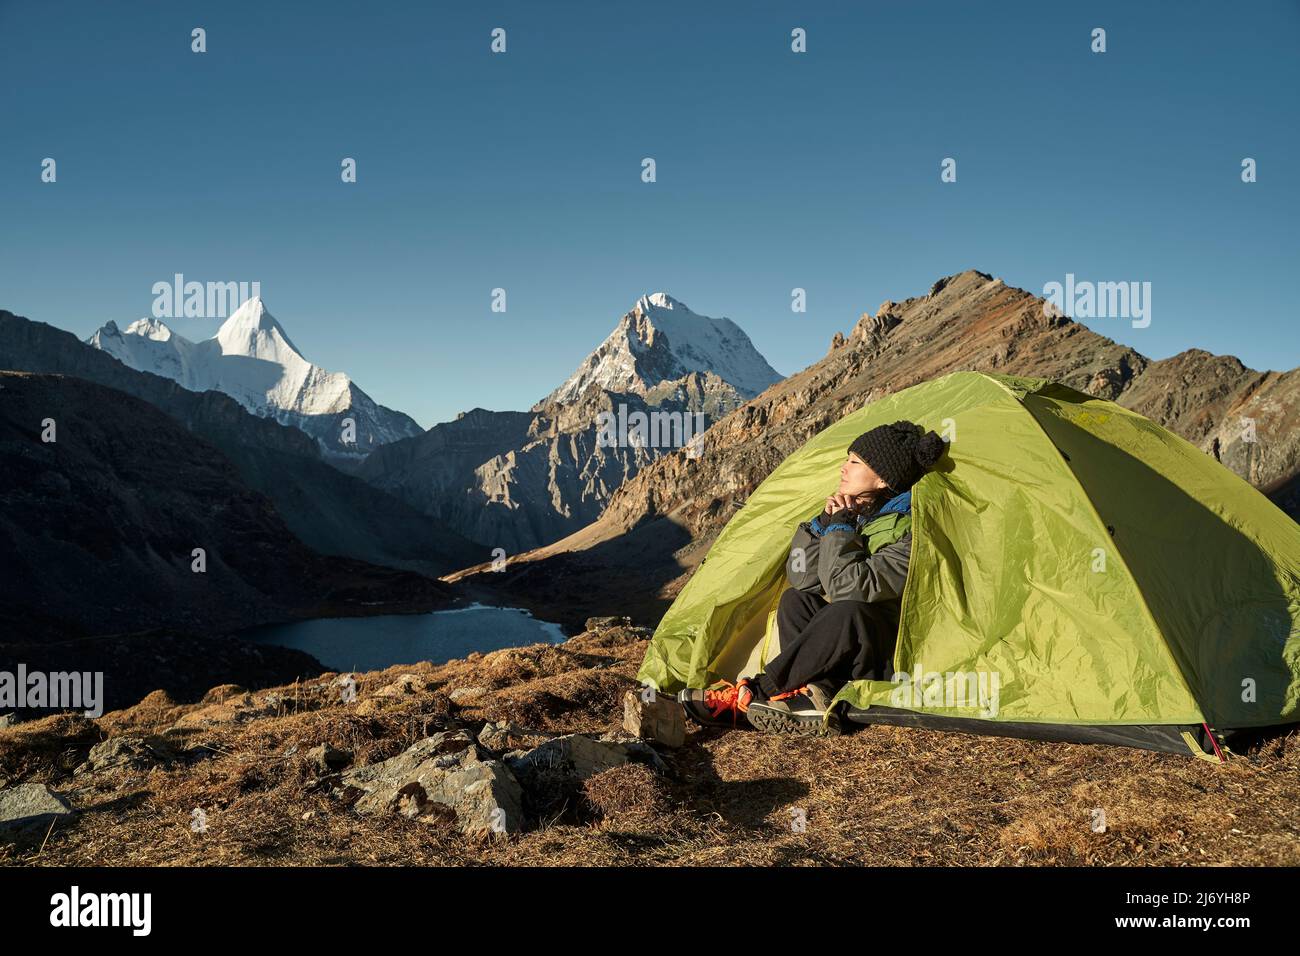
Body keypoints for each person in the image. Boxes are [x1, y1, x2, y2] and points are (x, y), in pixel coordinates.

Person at [679, 420, 945, 735]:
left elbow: (849, 587)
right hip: (854, 643)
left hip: (888, 653)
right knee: (796, 600)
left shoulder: (911, 528)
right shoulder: (860, 517)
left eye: (855, 462)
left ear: (883, 479)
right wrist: (822, 525)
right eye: (847, 459)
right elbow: (803, 577)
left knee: (847, 611)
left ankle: (758, 691)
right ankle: (815, 694)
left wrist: (840, 529)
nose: (843, 468)